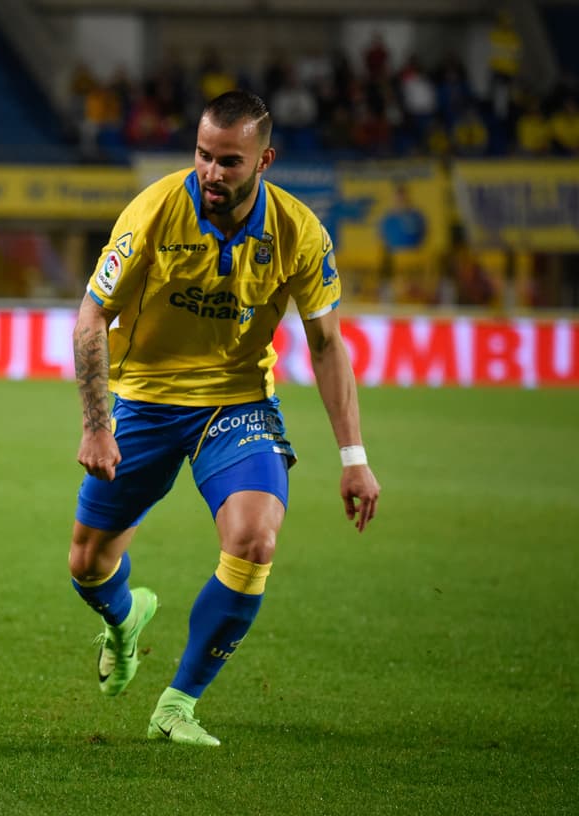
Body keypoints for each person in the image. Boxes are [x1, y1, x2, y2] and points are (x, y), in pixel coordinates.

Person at [67, 90, 380, 747]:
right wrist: (97, 424)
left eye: (229, 161)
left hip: (236, 402)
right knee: (87, 565)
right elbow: (92, 316)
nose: (211, 172)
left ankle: (178, 703)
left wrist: (355, 459)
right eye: (204, 155)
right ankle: (125, 620)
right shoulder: (152, 212)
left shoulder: (297, 232)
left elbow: (326, 345)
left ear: (264, 159)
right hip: (146, 400)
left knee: (255, 539)